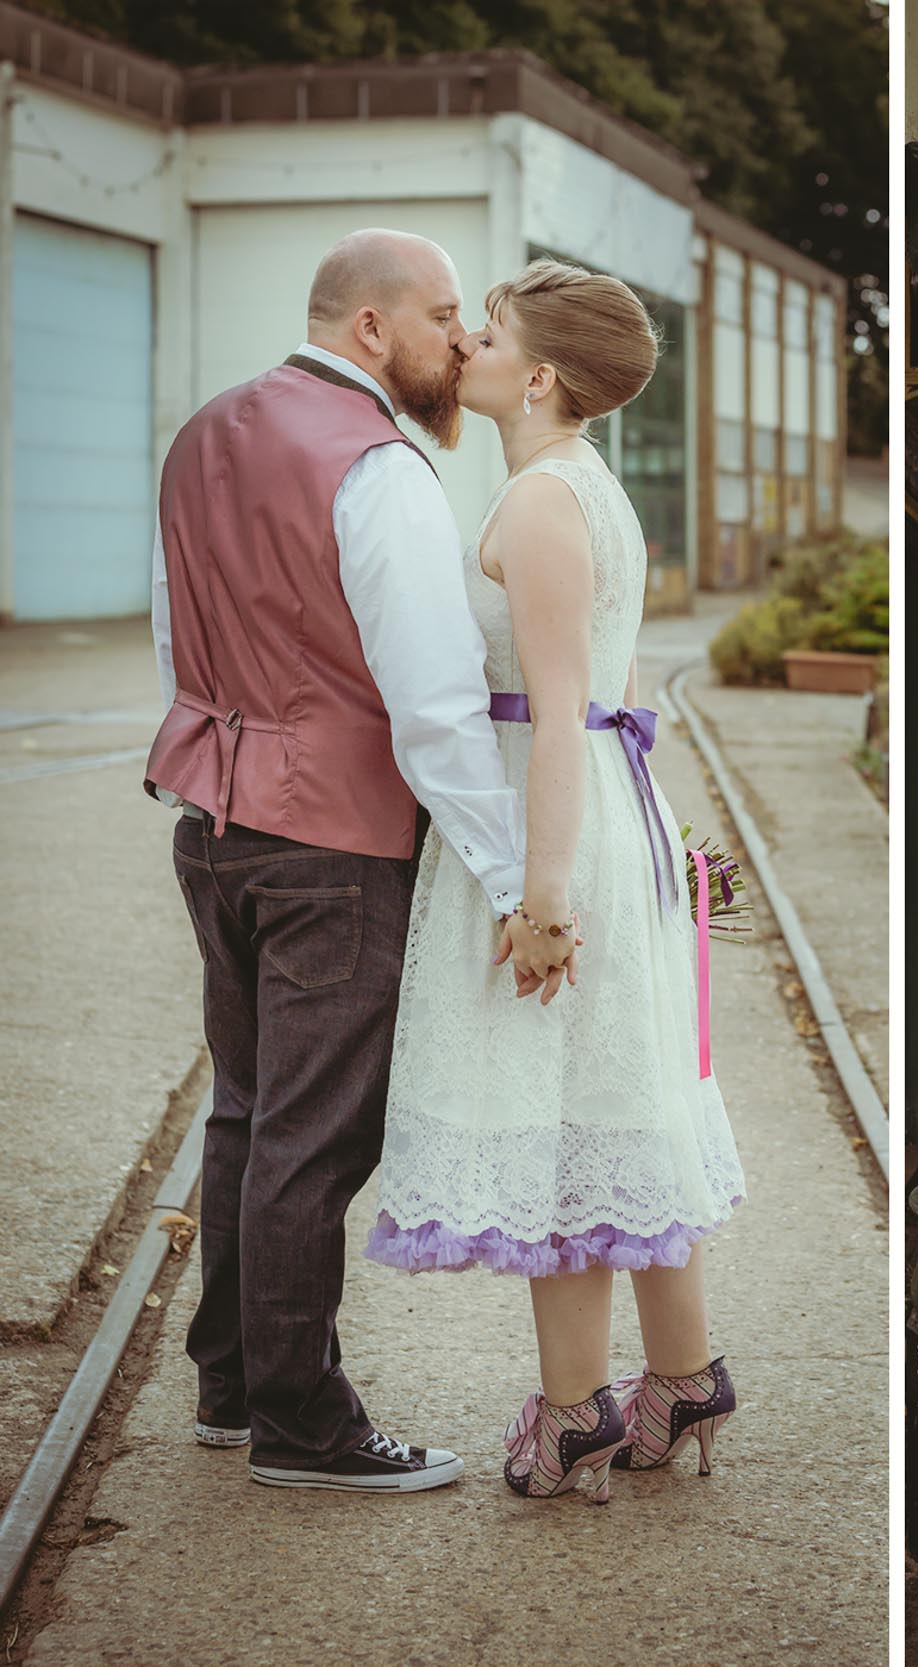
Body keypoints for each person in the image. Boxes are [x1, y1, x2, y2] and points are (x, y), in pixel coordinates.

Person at [148, 229, 558, 1492]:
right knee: (311, 1140)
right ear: (371, 329)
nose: (458, 342)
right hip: (331, 843)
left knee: (247, 1110)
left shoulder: (202, 434)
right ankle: (303, 1424)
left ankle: (230, 1384)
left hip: (211, 825)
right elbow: (432, 705)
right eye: (442, 317)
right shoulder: (377, 467)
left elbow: (180, 638)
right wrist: (510, 876)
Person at [364, 258, 745, 1505]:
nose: (464, 343)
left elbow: (564, 714)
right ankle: (681, 1376)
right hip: (603, 817)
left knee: (566, 1125)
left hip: (561, 824)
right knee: (622, 1108)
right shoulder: (588, 487)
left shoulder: (538, 501)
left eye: (489, 332)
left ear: (536, 376)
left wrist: (542, 904)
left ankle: (575, 1412)